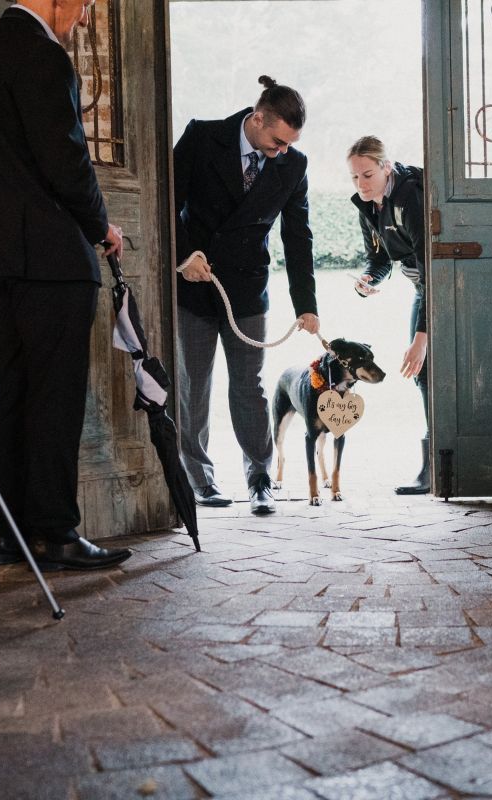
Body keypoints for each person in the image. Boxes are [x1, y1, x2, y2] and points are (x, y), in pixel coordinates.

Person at [0, 0, 131, 569]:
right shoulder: (44, 56)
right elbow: (66, 161)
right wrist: (101, 225)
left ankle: (4, 530)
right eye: (89, 5)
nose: (88, 19)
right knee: (55, 396)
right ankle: (54, 531)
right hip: (50, 258)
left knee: (17, 390)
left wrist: (1, 199)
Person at [173, 76, 320, 515]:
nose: (281, 152)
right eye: (276, 142)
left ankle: (260, 477)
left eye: (289, 145)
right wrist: (183, 257)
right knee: (193, 385)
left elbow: (299, 238)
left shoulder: (293, 165)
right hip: (195, 282)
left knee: (248, 386)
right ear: (258, 119)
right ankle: (199, 477)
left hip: (248, 289)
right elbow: (165, 199)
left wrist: (306, 304)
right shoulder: (202, 136)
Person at [346, 136, 431, 495]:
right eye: (354, 178)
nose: (361, 185)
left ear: (386, 167)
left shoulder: (409, 195)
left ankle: (435, 466)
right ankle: (434, 465)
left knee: (422, 365)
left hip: (440, 281)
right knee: (422, 372)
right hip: (422, 286)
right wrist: (368, 279)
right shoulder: (369, 203)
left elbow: (431, 266)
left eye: (367, 175)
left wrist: (421, 339)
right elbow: (379, 258)